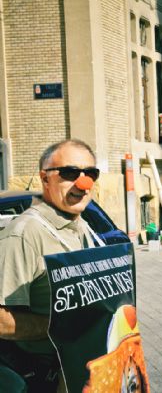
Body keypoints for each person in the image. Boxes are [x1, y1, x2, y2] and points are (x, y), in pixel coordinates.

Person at [0, 139, 103, 392]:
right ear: (45, 179)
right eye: (70, 173)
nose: (83, 183)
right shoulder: (25, 233)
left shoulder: (83, 227)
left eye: (91, 173)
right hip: (42, 377)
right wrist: (61, 326)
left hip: (82, 370)